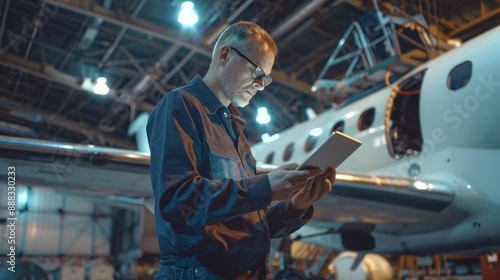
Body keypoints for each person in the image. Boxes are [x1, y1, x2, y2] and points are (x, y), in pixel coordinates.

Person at [146, 21, 336, 280]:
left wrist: (295, 205)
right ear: (225, 55)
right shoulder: (180, 106)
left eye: (266, 78)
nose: (261, 85)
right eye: (257, 71)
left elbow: (251, 226)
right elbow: (179, 202)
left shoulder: (237, 134)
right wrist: (264, 188)